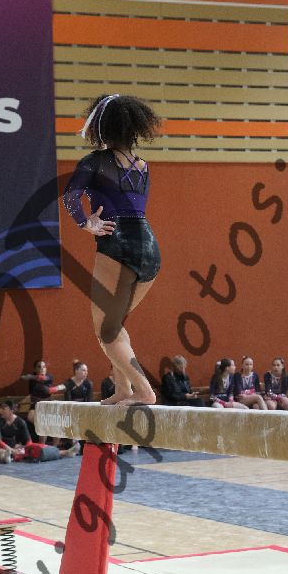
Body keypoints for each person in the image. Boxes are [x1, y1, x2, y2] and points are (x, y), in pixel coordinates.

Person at [63, 93, 162, 405]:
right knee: (115, 325)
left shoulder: (95, 161)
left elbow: (70, 196)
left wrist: (85, 222)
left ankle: (144, 391)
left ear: (101, 127)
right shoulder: (143, 166)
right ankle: (123, 389)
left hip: (117, 243)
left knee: (106, 330)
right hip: (150, 247)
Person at [0, 401, 78, 464]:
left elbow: (28, 440)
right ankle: (6, 457)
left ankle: (66, 452)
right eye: (1, 409)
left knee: (36, 449)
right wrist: (12, 451)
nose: (1, 411)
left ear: (11, 411)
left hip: (15, 446)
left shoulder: (20, 422)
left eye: (3, 409)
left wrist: (26, 448)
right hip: (2, 447)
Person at [21, 359, 64, 441]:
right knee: (37, 421)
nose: (42, 368)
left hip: (48, 407)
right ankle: (42, 446)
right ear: (35, 369)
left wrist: (31, 376)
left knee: (56, 425)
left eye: (44, 366)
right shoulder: (32, 381)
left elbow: (46, 389)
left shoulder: (49, 377)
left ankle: (55, 447)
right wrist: (30, 377)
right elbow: (23, 378)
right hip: (35, 407)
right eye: (39, 367)